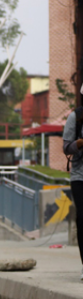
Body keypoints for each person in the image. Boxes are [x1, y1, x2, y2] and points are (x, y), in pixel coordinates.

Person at [61, 101, 83, 281]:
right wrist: (80, 143)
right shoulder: (76, 117)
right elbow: (66, 147)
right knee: (82, 219)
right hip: (80, 177)